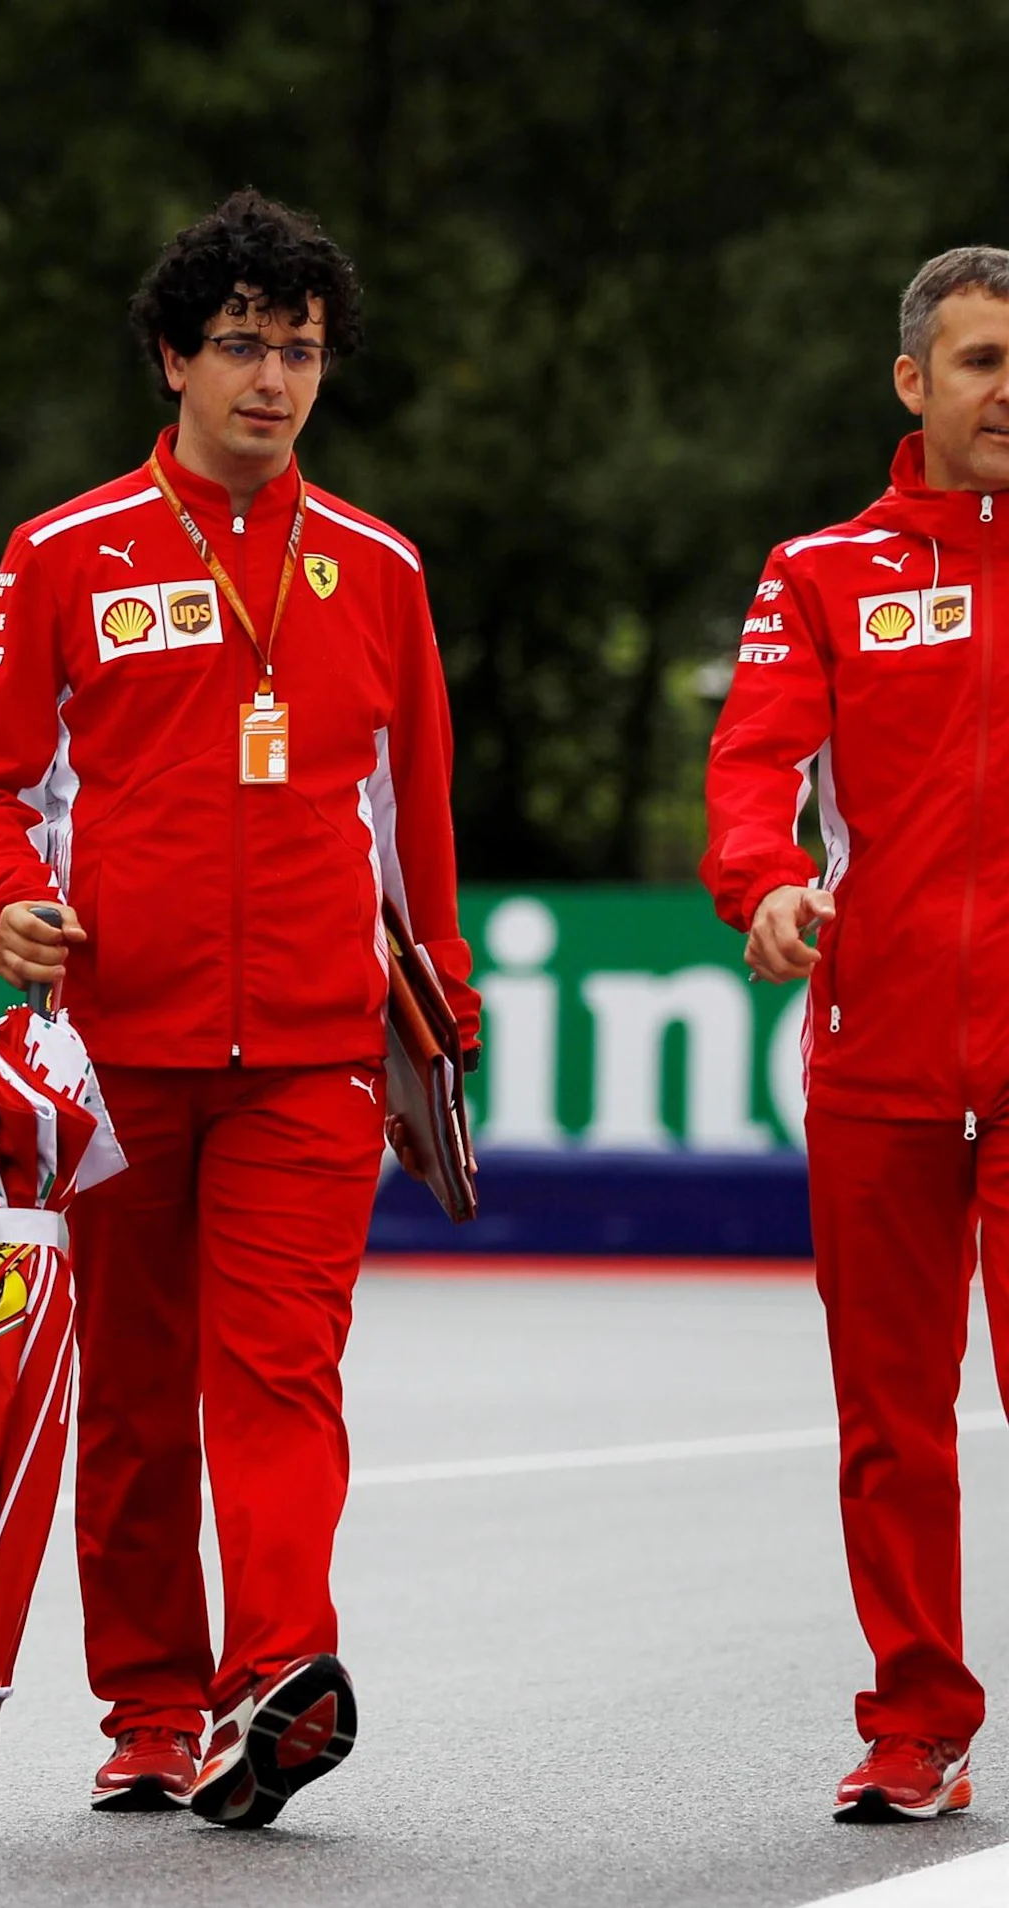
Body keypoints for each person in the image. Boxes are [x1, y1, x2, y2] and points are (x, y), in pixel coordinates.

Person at [0, 191, 473, 1829]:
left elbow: (418, 828)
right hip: (115, 1055)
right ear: (175, 357)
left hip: (311, 1054)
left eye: (300, 349)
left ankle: (280, 1679)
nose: (272, 377)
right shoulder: (63, 555)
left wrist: (431, 1042)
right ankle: (153, 1704)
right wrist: (5, 903)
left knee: (284, 1373)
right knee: (138, 1394)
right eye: (240, 343)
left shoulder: (378, 569)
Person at [702, 244, 1009, 1824]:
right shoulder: (821, 572)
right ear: (914, 383)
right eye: (981, 359)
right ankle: (916, 1724)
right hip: (880, 1063)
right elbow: (755, 765)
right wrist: (762, 884)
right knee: (893, 1428)